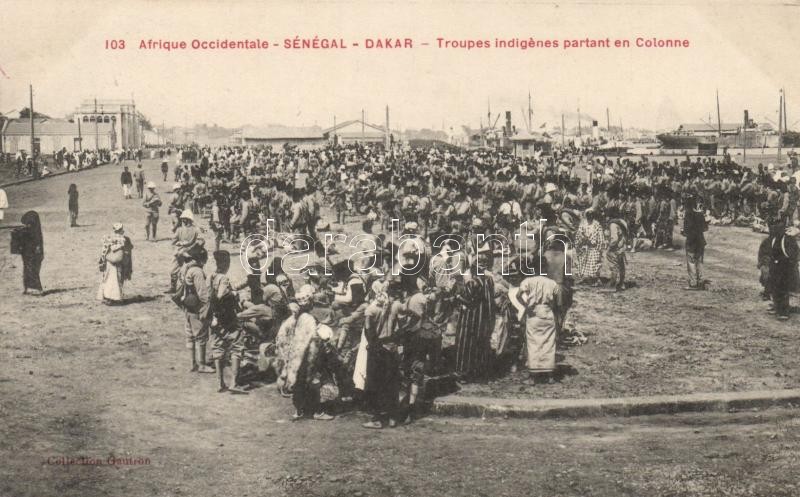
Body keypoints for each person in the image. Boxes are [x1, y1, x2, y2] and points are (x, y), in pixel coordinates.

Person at [208, 251, 248, 393]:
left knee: (218, 348)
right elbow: (221, 295)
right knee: (237, 346)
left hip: (215, 318)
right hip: (227, 317)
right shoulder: (224, 278)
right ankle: (234, 383)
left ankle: (220, 383)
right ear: (226, 263)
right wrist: (233, 294)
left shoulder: (212, 276)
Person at [453, 250, 496, 382]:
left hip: (471, 318)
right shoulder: (489, 280)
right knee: (482, 344)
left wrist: (457, 296)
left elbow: (468, 300)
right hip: (485, 317)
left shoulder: (473, 282)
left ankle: (465, 373)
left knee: (466, 345)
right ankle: (481, 371)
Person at [515, 274, 560, 385]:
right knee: (549, 343)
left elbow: (518, 295)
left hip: (533, 312)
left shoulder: (528, 281)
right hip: (547, 312)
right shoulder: (552, 282)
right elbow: (557, 301)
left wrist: (526, 306)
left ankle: (532, 377)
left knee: (533, 343)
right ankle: (550, 377)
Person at [176, 243, 214, 373]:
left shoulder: (184, 268)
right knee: (201, 336)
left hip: (186, 305)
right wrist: (206, 309)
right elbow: (203, 294)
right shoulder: (197, 271)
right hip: (195, 307)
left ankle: (192, 363)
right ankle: (202, 364)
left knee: (190, 335)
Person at [96, 223, 134, 304]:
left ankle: (109, 297)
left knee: (109, 279)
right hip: (116, 263)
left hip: (110, 262)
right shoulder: (124, 239)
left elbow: (104, 252)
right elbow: (126, 252)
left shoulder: (107, 237)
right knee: (116, 279)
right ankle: (113, 298)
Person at [12, 211, 44, 295]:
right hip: (28, 253)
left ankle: (34, 288)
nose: (27, 226)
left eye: (29, 224)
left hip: (32, 253)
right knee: (29, 269)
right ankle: (30, 288)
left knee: (32, 269)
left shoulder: (34, 232)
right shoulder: (33, 231)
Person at [169, 210, 201, 293]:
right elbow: (173, 242)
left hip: (189, 254)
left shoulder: (195, 230)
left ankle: (187, 289)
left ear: (188, 219)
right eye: (182, 219)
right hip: (182, 253)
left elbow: (200, 241)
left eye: (184, 219)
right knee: (174, 271)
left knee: (186, 272)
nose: (183, 220)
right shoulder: (181, 230)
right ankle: (174, 288)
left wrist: (186, 246)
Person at [682, 195, 708, 290]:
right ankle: (701, 282)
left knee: (691, 261)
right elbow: (705, 228)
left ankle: (693, 283)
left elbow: (685, 230)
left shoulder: (688, 214)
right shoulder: (700, 214)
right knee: (699, 261)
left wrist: (683, 232)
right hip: (700, 240)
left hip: (691, 241)